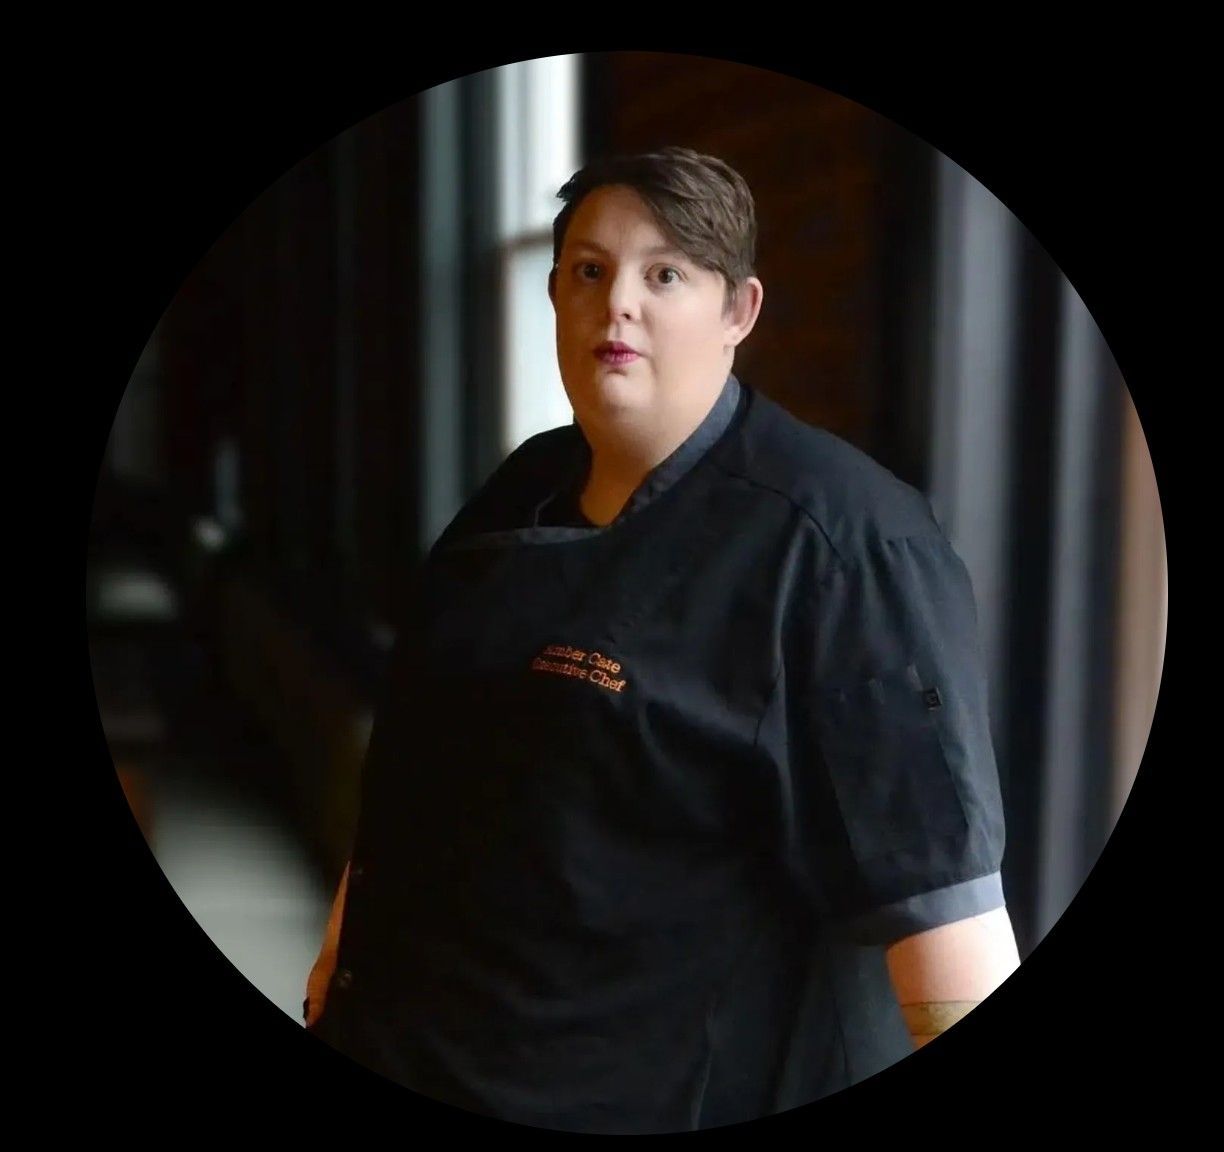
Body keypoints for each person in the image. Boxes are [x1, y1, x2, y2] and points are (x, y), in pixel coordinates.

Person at [303, 145, 1020, 1133]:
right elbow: (414, 776)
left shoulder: (845, 542)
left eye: (664, 273)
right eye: (589, 271)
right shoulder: (516, 490)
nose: (617, 305)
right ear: (553, 293)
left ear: (740, 312)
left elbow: (942, 904)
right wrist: (335, 968)